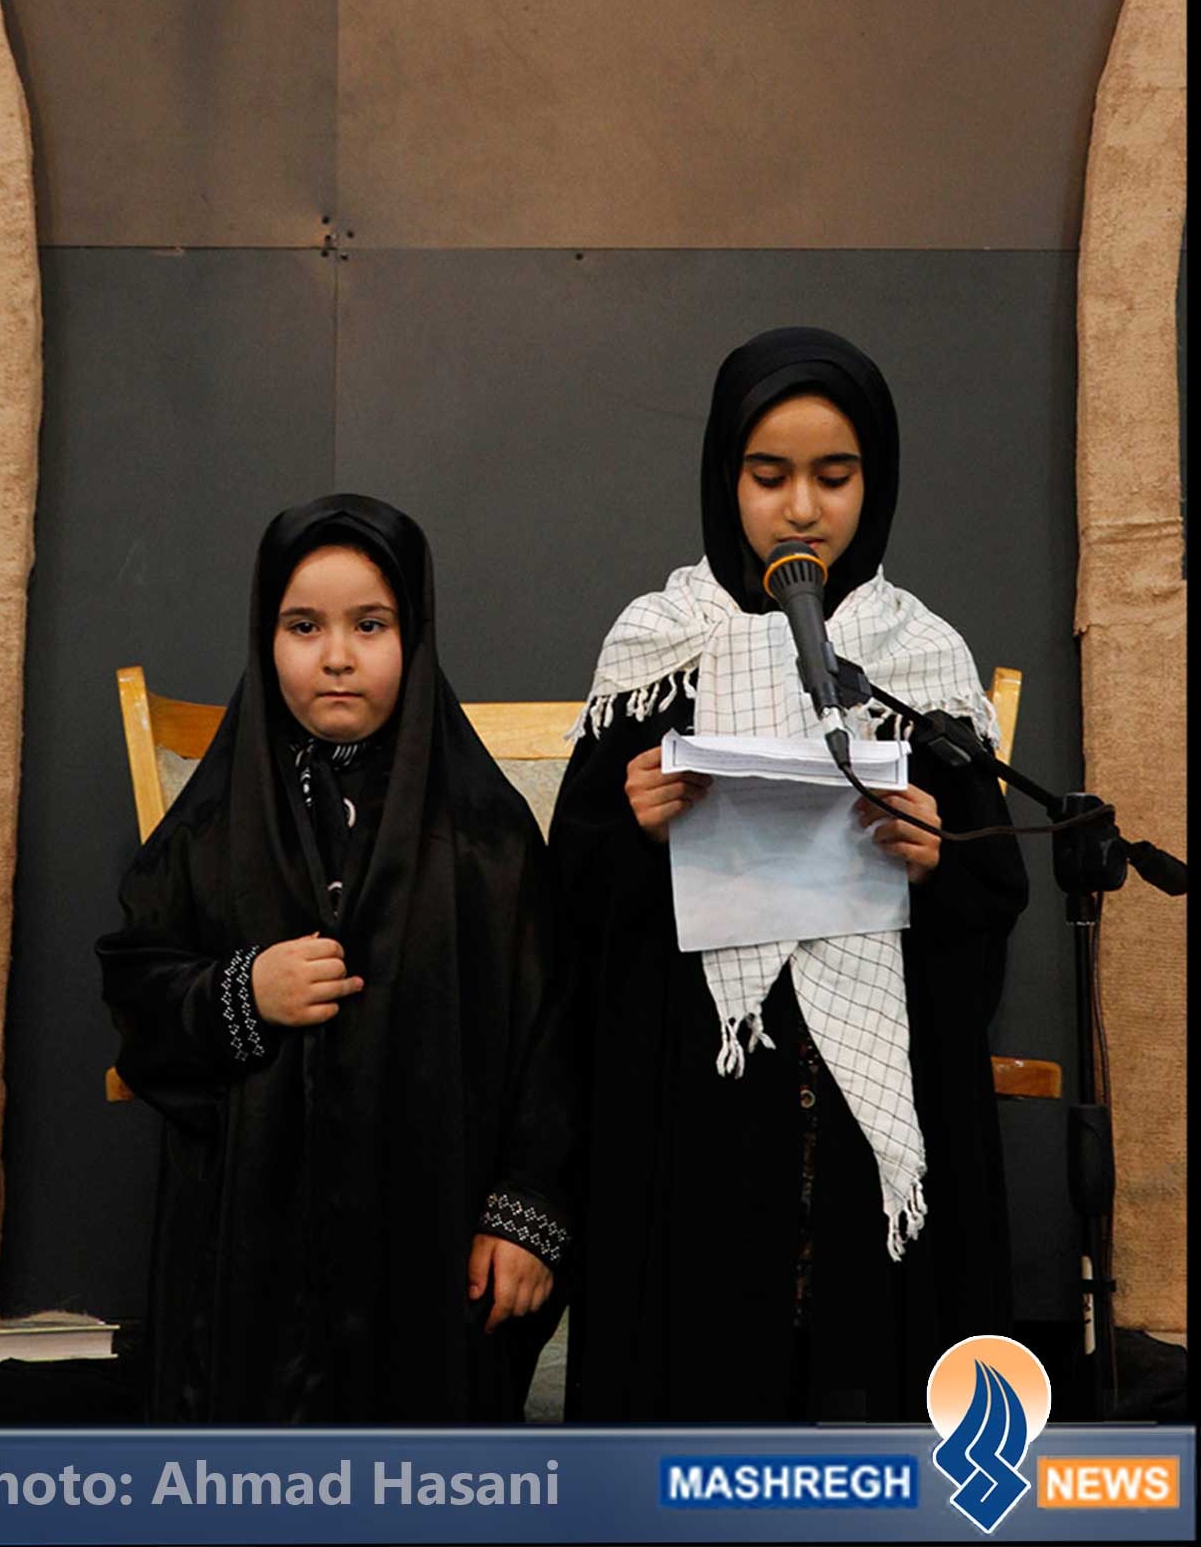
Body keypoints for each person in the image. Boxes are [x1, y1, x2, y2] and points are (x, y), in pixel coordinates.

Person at [552, 327, 1027, 1423]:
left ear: (878, 482)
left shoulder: (916, 655)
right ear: (725, 479)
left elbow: (993, 899)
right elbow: (571, 897)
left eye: (834, 476)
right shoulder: (658, 645)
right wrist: (634, 826)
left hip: (874, 1101)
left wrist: (937, 859)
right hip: (699, 1092)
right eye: (769, 476)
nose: (801, 509)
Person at [98, 493, 575, 1423]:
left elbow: (553, 1036)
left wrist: (524, 1214)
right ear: (264, 636)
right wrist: (243, 992)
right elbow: (137, 985)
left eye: (370, 625)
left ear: (415, 636)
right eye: (303, 626)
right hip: (250, 1246)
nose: (337, 656)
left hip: (432, 1239)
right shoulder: (213, 827)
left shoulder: (484, 837)